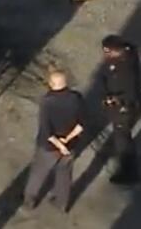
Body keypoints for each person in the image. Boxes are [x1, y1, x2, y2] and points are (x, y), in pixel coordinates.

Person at [23, 70, 86, 213]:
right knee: (64, 175)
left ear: (51, 84)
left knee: (38, 173)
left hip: (49, 147)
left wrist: (59, 145)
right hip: (71, 144)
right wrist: (67, 140)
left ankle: (29, 201)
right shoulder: (76, 98)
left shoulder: (47, 102)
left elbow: (47, 132)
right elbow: (81, 124)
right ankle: (61, 203)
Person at [99, 35, 141, 184]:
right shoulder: (120, 59)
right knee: (122, 138)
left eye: (108, 51)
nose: (105, 54)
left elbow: (130, 92)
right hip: (119, 106)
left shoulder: (126, 69)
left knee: (122, 140)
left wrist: (117, 101)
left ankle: (128, 172)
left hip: (124, 111)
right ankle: (128, 165)